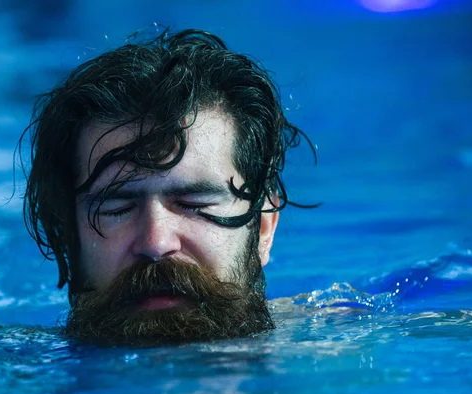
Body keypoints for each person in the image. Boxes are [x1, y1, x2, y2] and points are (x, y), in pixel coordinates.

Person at [18, 28, 317, 346]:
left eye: (194, 204)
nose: (155, 243)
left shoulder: (347, 343)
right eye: (116, 210)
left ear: (263, 229)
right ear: (68, 234)